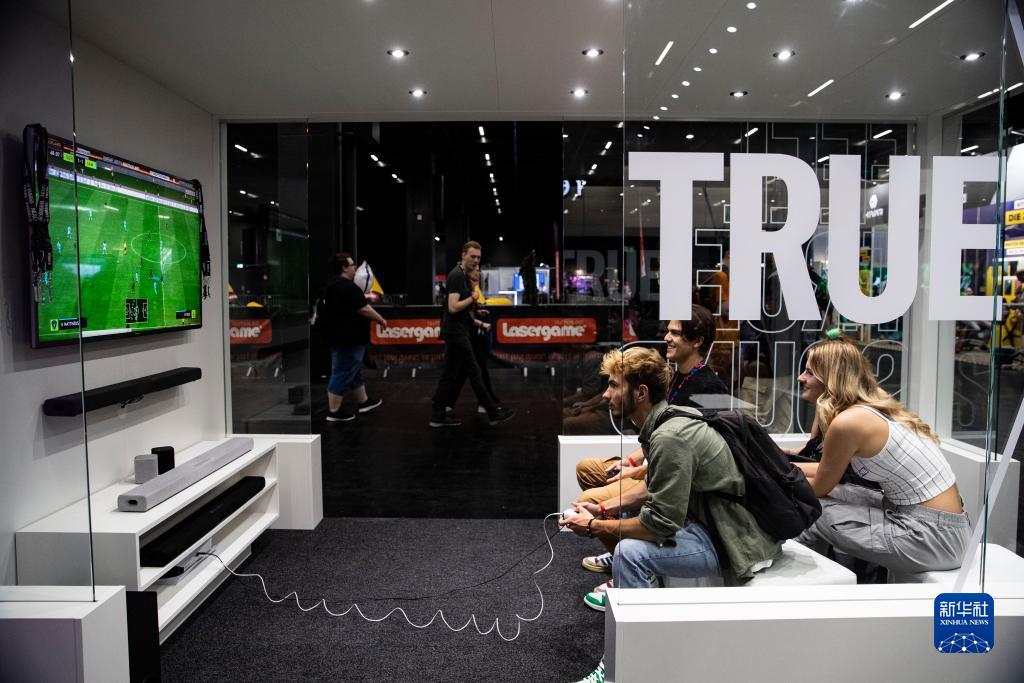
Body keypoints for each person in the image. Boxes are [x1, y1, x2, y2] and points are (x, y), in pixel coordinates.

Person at [561, 347, 781, 683]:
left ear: (640, 392)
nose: (606, 394)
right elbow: (654, 487)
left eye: (615, 385)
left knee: (629, 553)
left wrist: (593, 526)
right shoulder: (665, 421)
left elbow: (658, 526)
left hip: (730, 538)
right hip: (708, 521)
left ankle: (628, 665)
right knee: (623, 520)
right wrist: (603, 509)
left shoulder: (669, 436)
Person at [793, 339, 970, 574]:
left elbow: (818, 488)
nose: (801, 378)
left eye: (809, 372)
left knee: (808, 508)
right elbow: (827, 472)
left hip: (933, 537)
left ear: (831, 377)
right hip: (941, 527)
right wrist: (785, 469)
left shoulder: (848, 422)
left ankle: (793, 583)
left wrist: (772, 480)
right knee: (837, 494)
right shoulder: (871, 411)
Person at [573, 305, 729, 568]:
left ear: (697, 341)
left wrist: (594, 523)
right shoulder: (677, 380)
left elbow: (679, 456)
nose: (667, 337)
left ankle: (624, 559)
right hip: (658, 464)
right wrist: (631, 462)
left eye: (675, 333)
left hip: (680, 479)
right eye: (668, 331)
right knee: (588, 469)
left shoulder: (708, 388)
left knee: (588, 501)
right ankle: (623, 553)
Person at [429, 241, 514, 427]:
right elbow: (452, 307)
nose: (476, 261)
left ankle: (437, 415)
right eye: (472, 256)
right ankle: (492, 412)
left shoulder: (460, 275)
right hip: (456, 333)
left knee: (450, 373)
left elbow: (458, 310)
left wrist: (475, 315)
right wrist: (472, 298)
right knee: (475, 372)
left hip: (456, 331)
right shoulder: (457, 276)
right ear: (463, 255)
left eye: (478, 258)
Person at [323, 252, 388, 422]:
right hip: (347, 339)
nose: (354, 267)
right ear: (344, 268)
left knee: (353, 371)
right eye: (352, 264)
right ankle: (334, 411)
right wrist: (380, 319)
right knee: (342, 372)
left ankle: (363, 401)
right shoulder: (347, 287)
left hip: (342, 337)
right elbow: (364, 308)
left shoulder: (334, 285)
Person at [449, 262, 500, 413]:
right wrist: (479, 322)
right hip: (465, 334)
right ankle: (486, 403)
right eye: (475, 270)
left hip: (469, 333)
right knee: (476, 369)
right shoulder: (465, 288)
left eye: (479, 270)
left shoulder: (471, 288)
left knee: (465, 370)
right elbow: (458, 310)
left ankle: (447, 403)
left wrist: (477, 312)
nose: (478, 272)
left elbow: (468, 311)